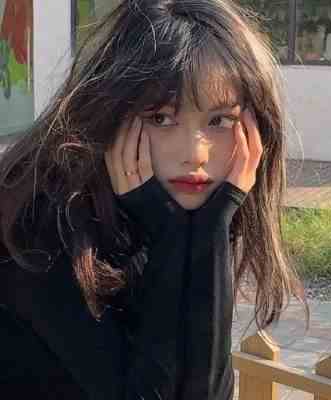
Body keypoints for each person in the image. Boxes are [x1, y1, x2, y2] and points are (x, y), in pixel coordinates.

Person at [0, 0, 308, 399]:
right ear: (111, 112)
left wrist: (208, 234)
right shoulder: (43, 224)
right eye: (161, 118)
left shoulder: (167, 211)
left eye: (220, 121)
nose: (195, 154)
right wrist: (171, 232)